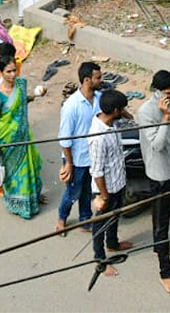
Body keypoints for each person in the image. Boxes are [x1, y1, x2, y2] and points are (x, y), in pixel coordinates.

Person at [135, 69, 170, 296]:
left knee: (163, 214)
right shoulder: (146, 112)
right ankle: (165, 274)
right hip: (158, 172)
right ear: (157, 92)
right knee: (161, 221)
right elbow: (157, 145)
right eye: (168, 92)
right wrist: (164, 116)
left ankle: (160, 246)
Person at [0, 56, 43, 219]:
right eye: (8, 72)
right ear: (1, 72)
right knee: (14, 174)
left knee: (30, 168)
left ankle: (32, 199)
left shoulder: (21, 84)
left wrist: (36, 95)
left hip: (23, 136)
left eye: (14, 71)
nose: (13, 75)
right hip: (7, 140)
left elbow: (22, 101)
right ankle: (17, 204)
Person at [89, 89, 133, 275]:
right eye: (122, 109)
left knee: (115, 217)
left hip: (117, 182)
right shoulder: (98, 137)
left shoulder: (111, 123)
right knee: (100, 224)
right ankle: (100, 259)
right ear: (115, 110)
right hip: (105, 189)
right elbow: (97, 171)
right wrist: (104, 195)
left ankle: (113, 243)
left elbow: (129, 118)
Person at [56, 61, 103, 234]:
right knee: (72, 193)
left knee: (87, 191)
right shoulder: (71, 106)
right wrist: (69, 163)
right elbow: (65, 139)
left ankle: (85, 220)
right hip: (76, 158)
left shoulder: (98, 99)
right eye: (97, 78)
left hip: (92, 156)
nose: (101, 80)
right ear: (87, 80)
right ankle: (62, 219)